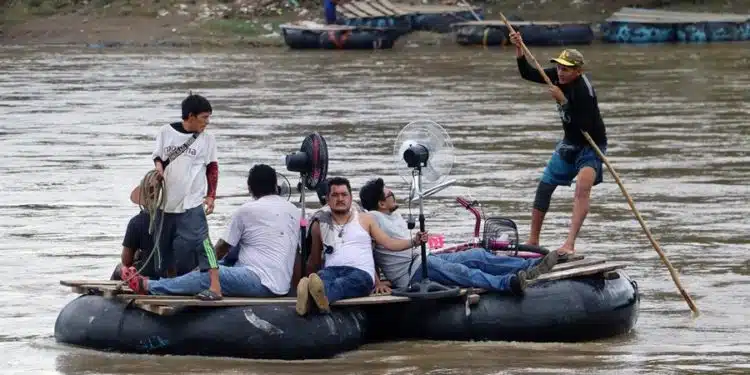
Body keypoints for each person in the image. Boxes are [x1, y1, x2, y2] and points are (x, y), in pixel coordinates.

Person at [122, 164, 301, 298]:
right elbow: (296, 254)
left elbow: (220, 249)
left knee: (212, 273)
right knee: (219, 267)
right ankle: (174, 282)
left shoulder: (247, 210)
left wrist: (200, 269)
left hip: (260, 281)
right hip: (279, 282)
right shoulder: (294, 210)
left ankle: (149, 286)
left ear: (250, 188)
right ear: (275, 185)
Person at [358, 178, 560, 295]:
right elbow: (366, 249)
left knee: (477, 255)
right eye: (389, 194)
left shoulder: (393, 215)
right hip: (412, 272)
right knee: (462, 271)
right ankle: (508, 284)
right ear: (381, 203)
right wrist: (377, 281)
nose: (393, 194)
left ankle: (530, 267)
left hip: (426, 258)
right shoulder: (371, 218)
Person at [510, 31, 608, 256]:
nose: (561, 73)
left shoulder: (585, 92)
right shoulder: (556, 75)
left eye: (566, 69)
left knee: (582, 190)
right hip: (569, 142)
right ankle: (533, 240)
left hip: (590, 145)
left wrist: (563, 101)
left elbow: (583, 125)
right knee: (545, 186)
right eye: (560, 68)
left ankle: (569, 244)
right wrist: (519, 48)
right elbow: (528, 73)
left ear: (578, 71)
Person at [295, 177, 425, 316]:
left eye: (344, 195)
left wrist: (414, 241)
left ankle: (314, 298)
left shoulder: (365, 219)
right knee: (322, 278)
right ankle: (313, 295)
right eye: (335, 195)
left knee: (342, 284)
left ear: (351, 198)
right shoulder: (320, 224)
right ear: (327, 199)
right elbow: (315, 260)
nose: (340, 199)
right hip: (332, 270)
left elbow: (388, 243)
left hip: (360, 273)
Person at [135, 93, 222, 300]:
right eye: (204, 118)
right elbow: (159, 158)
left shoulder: (207, 139)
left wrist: (211, 196)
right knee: (162, 247)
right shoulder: (166, 132)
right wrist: (159, 172)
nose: (207, 123)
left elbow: (212, 167)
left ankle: (215, 287)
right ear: (190, 116)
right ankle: (164, 285)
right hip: (166, 205)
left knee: (204, 244)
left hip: (192, 203)